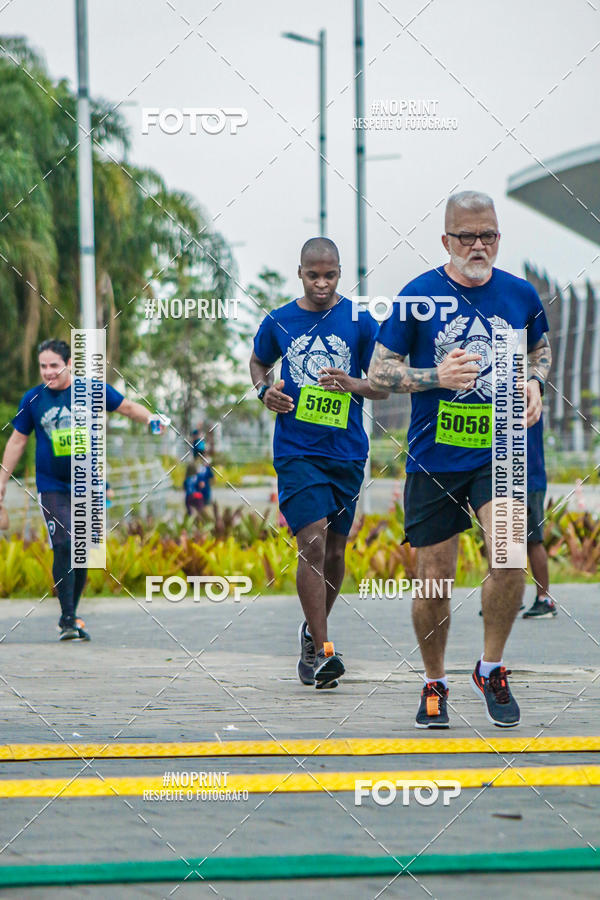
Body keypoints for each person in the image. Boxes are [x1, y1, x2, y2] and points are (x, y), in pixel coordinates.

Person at [368, 191, 551, 728]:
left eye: (487, 235)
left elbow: (539, 347)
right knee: (433, 579)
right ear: (445, 239)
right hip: (434, 458)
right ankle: (434, 681)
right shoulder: (417, 297)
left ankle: (490, 668)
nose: (478, 245)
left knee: (511, 554)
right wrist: (434, 378)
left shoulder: (520, 294)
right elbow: (380, 376)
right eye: (466, 236)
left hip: (500, 451)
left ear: (499, 237)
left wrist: (535, 381)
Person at [250, 237, 387, 689]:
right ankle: (324, 651)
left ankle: (311, 632)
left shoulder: (360, 322)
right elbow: (258, 362)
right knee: (311, 542)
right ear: (301, 273)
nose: (322, 283)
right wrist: (263, 390)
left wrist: (352, 383)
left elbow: (382, 385)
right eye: (314, 275)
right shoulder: (280, 321)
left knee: (334, 551)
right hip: (297, 450)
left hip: (347, 453)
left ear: (340, 273)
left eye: (330, 275)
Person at [0, 339, 166, 641]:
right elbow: (17, 441)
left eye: (53, 365)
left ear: (68, 363)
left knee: (83, 553)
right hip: (52, 486)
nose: (48, 372)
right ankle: (66, 620)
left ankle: (71, 613)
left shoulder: (90, 390)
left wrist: (152, 419)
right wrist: (1, 481)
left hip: (88, 484)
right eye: (43, 366)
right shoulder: (34, 399)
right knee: (64, 544)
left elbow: (126, 407)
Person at [522, 417, 556, 618]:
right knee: (506, 540)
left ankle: (544, 599)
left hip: (528, 479)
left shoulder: (527, 390)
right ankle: (509, 595)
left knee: (533, 540)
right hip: (514, 477)